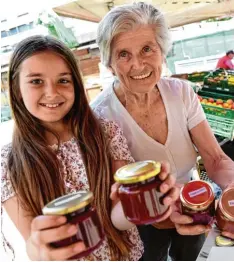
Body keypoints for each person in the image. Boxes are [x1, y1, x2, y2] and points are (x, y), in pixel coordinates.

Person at [1, 35, 179, 261]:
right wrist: (39, 252)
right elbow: (33, 243)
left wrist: (145, 202)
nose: (52, 92)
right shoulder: (8, 163)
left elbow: (118, 218)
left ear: (76, 84)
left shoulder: (106, 134)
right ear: (16, 90)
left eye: (63, 80)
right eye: (36, 81)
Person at [91, 2, 234, 261]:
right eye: (123, 54)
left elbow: (215, 160)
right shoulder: (101, 116)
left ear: (162, 51)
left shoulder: (181, 93)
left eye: (147, 49)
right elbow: (118, 197)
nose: (138, 64)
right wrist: (163, 211)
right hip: (140, 218)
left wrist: (232, 186)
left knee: (193, 255)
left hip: (192, 201)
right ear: (110, 64)